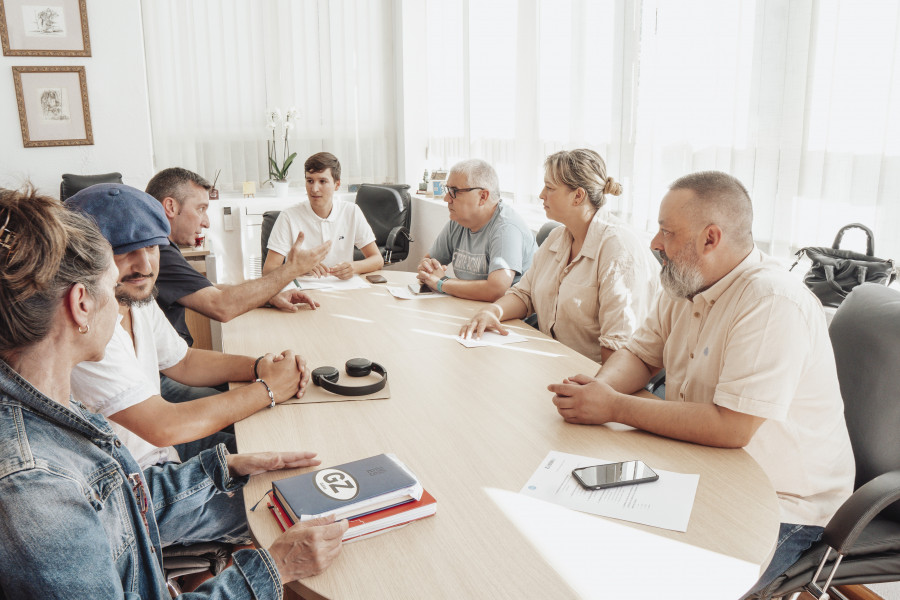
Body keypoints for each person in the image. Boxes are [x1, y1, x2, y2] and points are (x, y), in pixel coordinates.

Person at [0, 186, 347, 598]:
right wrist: (271, 569)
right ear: (81, 305)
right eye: (111, 289)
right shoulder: (36, 487)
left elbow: (125, 506)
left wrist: (221, 470)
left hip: (160, 498)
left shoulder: (54, 406)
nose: (123, 299)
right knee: (306, 508)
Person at [547, 171, 855, 596]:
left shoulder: (771, 301)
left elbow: (731, 426)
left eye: (667, 231)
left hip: (783, 503)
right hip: (701, 471)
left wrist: (614, 407)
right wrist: (598, 391)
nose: (655, 241)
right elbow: (639, 355)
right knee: (588, 548)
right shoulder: (682, 280)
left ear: (711, 238)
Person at [460, 149, 659, 364]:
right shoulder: (557, 236)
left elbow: (618, 347)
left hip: (596, 376)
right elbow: (524, 294)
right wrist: (493, 311)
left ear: (578, 196)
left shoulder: (619, 248)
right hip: (554, 363)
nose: (541, 194)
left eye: (550, 188)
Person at [145, 167, 330, 347]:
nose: (206, 222)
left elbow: (207, 289)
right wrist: (292, 269)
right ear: (170, 206)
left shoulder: (160, 245)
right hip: (167, 372)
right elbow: (221, 305)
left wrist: (269, 297)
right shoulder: (156, 252)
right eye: (201, 209)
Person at [417, 159, 537, 302]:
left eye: (454, 191)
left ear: (482, 197)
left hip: (510, 319)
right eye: (447, 190)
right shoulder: (458, 222)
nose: (446, 198)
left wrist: (442, 282)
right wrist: (427, 270)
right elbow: (427, 264)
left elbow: (497, 290)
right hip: (473, 308)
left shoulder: (506, 228)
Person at [262, 152, 384, 279]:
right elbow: (268, 271)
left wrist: (353, 267)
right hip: (302, 291)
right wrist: (299, 268)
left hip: (343, 289)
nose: (314, 189)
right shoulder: (288, 216)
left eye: (322, 181)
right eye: (310, 181)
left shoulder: (351, 211)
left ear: (336, 184)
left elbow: (377, 260)